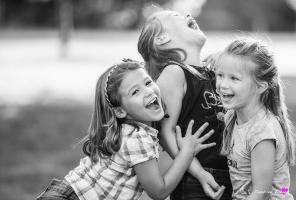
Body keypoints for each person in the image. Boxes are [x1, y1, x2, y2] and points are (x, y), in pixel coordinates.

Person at [37, 60, 217, 200]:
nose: (148, 92)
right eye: (135, 92)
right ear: (120, 111)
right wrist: (186, 153)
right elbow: (159, 191)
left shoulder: (128, 130)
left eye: (147, 82)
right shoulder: (137, 138)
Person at [138, 6, 232, 200]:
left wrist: (229, 62)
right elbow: (164, 131)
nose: (189, 16)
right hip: (196, 179)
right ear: (162, 39)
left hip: (232, 173)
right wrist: (199, 173)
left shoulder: (215, 72)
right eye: (176, 16)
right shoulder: (175, 72)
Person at [214, 37, 295, 199]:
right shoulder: (234, 115)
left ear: (260, 86)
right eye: (220, 75)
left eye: (234, 78)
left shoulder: (261, 132)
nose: (222, 84)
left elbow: (261, 194)